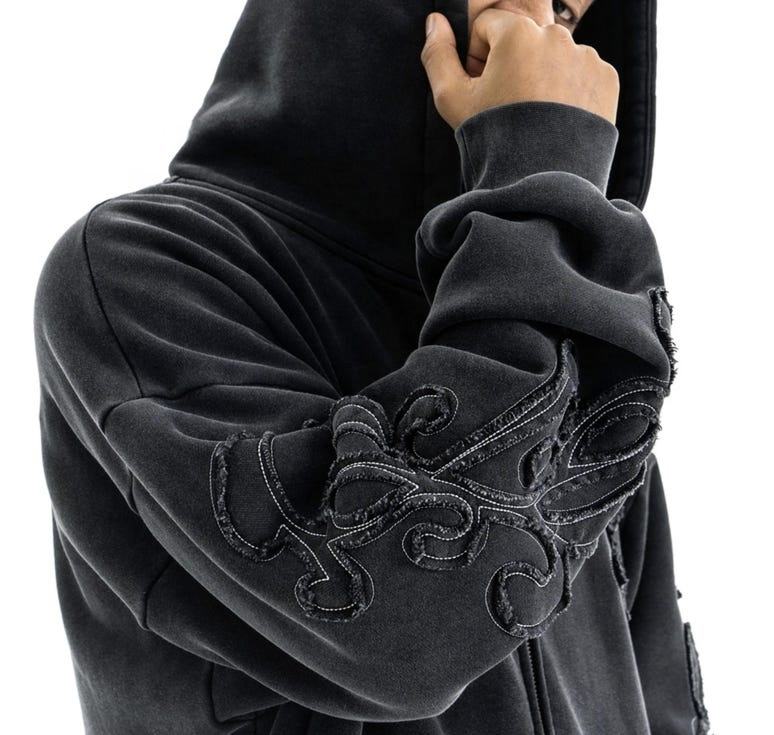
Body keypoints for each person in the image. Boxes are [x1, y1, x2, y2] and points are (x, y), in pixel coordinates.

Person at [34, 0, 709, 733]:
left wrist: (552, 245)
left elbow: (659, 707)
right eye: (511, 2)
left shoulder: (569, 346)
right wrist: (542, 170)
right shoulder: (147, 272)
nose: (539, 32)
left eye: (568, 14)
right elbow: (410, 630)